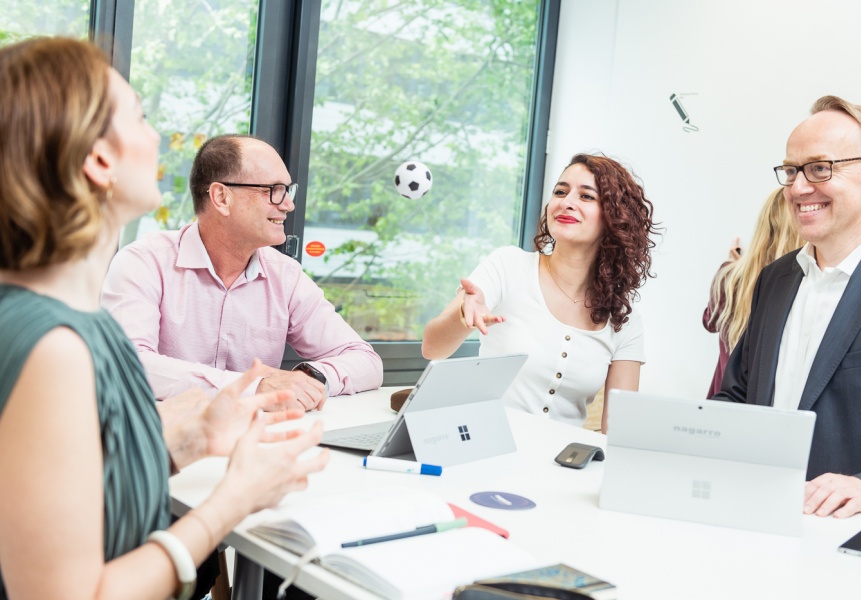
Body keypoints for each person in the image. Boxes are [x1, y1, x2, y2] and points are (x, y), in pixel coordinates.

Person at [0, 37, 330, 600]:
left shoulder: (80, 322)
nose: (156, 137)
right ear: (98, 160)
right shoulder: (53, 348)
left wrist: (193, 439)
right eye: (141, 118)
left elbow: (80, 491)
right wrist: (233, 501)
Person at [714, 95, 861, 518]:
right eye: (791, 170)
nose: (797, 188)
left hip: (853, 534)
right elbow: (740, 394)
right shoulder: (775, 279)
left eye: (819, 168)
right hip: (756, 513)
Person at [101, 133, 383, 409]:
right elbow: (126, 365)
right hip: (161, 436)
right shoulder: (143, 262)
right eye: (273, 190)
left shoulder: (285, 276)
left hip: (257, 435)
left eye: (288, 190)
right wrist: (253, 387)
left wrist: (309, 379)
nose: (288, 204)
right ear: (221, 197)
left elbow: (365, 360)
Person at [422, 154, 659, 431]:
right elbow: (432, 348)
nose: (566, 202)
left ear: (615, 218)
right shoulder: (508, 265)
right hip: (486, 444)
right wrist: (464, 315)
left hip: (563, 458)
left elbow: (619, 431)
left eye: (586, 196)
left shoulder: (625, 321)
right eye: (560, 192)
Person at [702, 189, 802, 397]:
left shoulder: (730, 278)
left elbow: (710, 322)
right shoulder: (800, 284)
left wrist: (733, 268)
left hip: (726, 399)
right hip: (767, 402)